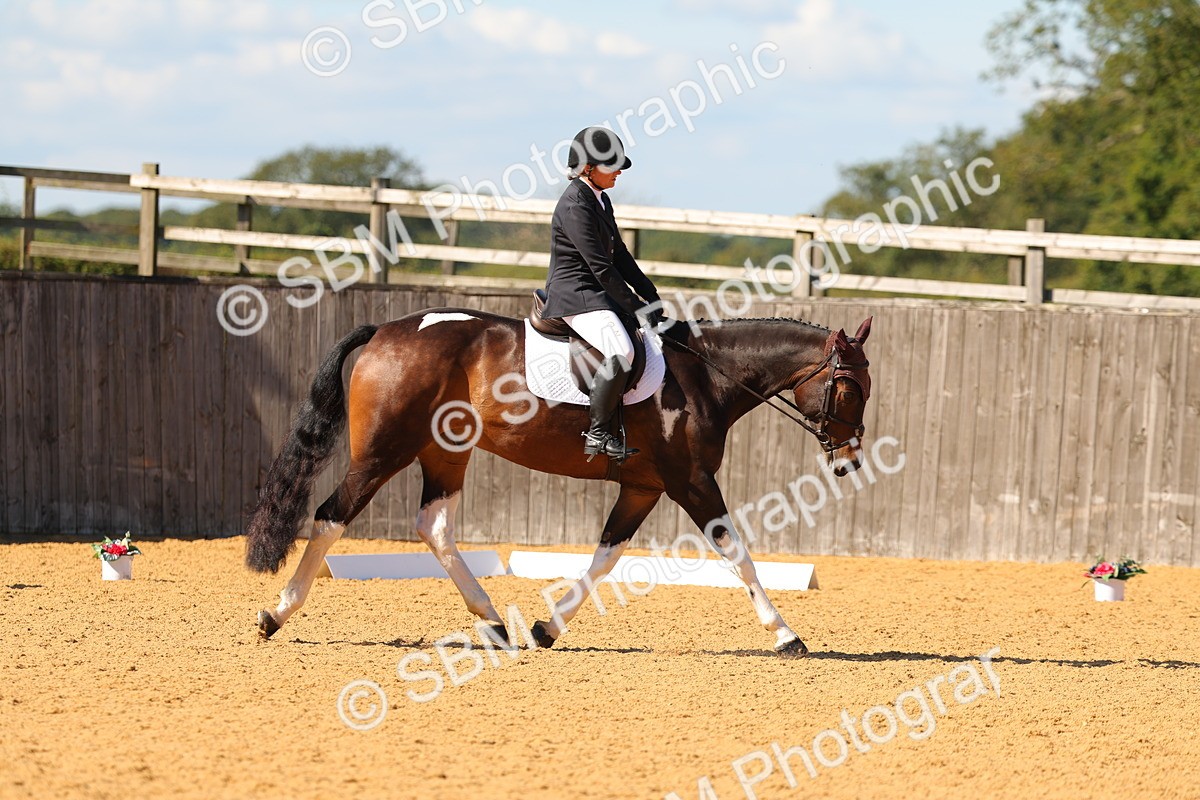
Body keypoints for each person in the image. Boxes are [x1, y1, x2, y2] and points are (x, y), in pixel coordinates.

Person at [540, 126, 665, 462]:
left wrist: (649, 292)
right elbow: (600, 267)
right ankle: (597, 433)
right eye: (612, 167)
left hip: (595, 292)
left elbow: (619, 254)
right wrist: (635, 306)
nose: (619, 171)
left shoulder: (600, 198)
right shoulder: (574, 205)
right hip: (575, 294)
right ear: (587, 169)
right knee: (621, 349)